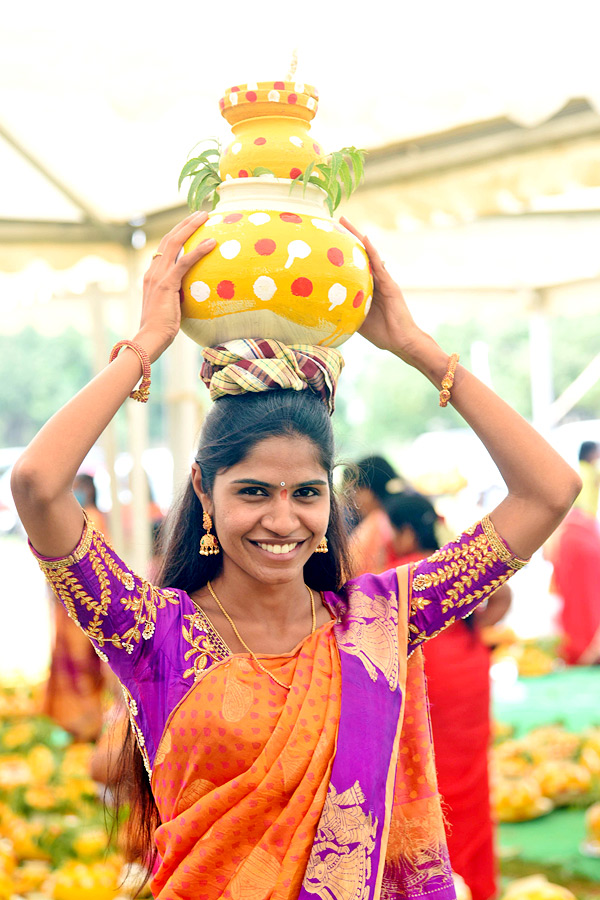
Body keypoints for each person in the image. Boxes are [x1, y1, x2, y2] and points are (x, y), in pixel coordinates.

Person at [11, 210, 581, 900]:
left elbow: (551, 490)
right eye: (253, 491)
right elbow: (38, 485)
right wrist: (146, 346)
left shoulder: (380, 619)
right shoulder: (154, 632)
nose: (283, 520)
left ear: (329, 497)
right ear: (204, 488)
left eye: (305, 493)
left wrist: (419, 349)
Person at [384, 493, 511, 900]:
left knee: (423, 783)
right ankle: (478, 884)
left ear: (403, 530)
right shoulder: (449, 562)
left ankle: (442, 884)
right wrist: (474, 624)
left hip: (428, 677)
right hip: (469, 670)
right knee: (471, 781)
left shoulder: (397, 575)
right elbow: (504, 592)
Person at [42, 471, 112, 741]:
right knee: (67, 664)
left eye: (80, 488)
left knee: (85, 665)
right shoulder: (75, 517)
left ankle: (87, 724)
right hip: (66, 608)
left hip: (86, 608)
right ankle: (73, 723)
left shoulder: (94, 518)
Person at [346, 455, 407, 573]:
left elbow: (352, 573)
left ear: (369, 492)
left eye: (356, 491)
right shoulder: (397, 517)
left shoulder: (376, 523)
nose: (354, 500)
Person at [574, 440, 600, 518]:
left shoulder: (591, 470)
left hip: (586, 515)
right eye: (597, 451)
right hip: (584, 515)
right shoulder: (585, 472)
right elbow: (583, 497)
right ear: (590, 454)